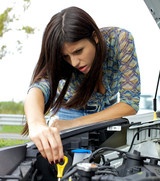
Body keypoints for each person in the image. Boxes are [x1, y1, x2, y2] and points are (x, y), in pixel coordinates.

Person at [23, 6, 141, 165]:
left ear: (95, 37)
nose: (74, 62)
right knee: (67, 171)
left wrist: (73, 125)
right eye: (66, 56)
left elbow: (130, 104)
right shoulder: (65, 62)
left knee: (108, 167)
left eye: (78, 51)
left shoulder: (121, 40)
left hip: (109, 113)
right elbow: (37, 89)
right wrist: (36, 124)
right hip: (69, 112)